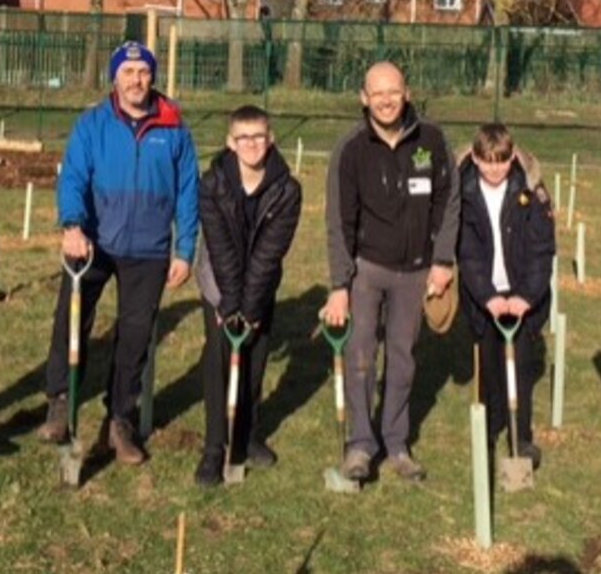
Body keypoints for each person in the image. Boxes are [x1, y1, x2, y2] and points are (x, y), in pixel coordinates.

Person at [37, 40, 199, 465]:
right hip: (92, 241)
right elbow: (72, 177)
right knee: (70, 323)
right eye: (127, 73)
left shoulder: (174, 126)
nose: (136, 80)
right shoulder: (93, 124)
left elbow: (187, 190)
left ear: (152, 76)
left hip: (149, 248)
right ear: (115, 78)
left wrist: (184, 249)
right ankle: (59, 402)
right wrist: (72, 225)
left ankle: (120, 421)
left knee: (136, 336)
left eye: (143, 72)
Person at [323, 60, 459, 481]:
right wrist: (340, 284)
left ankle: (397, 443)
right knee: (360, 356)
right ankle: (361, 445)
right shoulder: (351, 149)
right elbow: (338, 220)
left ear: (407, 93)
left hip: (417, 272)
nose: (386, 100)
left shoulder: (432, 141)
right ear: (364, 98)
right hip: (367, 270)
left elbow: (449, 202)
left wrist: (442, 261)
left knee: (403, 359)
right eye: (377, 93)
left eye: (393, 91)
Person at [193, 105, 302, 486]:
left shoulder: (287, 189)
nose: (252, 145)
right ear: (230, 142)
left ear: (270, 139)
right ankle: (213, 447)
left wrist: (251, 308)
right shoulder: (212, 184)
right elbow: (220, 249)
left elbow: (270, 252)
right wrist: (229, 305)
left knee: (254, 358)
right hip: (218, 282)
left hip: (261, 282)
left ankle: (246, 437)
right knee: (219, 359)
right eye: (244, 137)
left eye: (259, 137)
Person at [455, 123, 555, 468]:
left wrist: (526, 297)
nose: (494, 169)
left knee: (521, 369)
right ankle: (490, 428)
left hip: (522, 295)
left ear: (512, 157)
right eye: (486, 161)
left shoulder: (531, 192)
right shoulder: (463, 192)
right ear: (475, 157)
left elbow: (542, 251)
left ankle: (521, 438)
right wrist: (488, 297)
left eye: (501, 161)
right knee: (490, 368)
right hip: (484, 297)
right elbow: (466, 253)